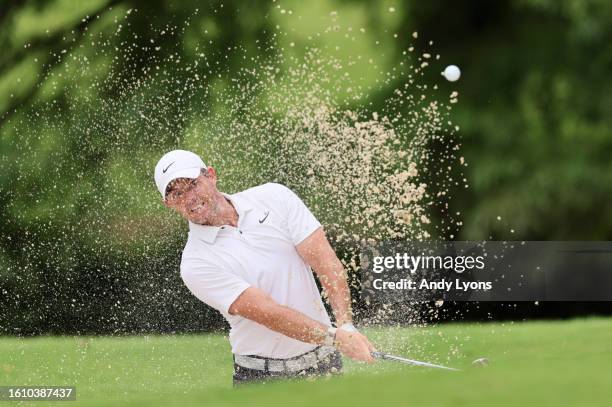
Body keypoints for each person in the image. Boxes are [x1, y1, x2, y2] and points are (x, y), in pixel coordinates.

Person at [154, 150, 375, 386]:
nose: (189, 198)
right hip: (262, 378)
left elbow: (325, 261)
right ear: (168, 204)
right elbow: (270, 313)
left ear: (211, 176)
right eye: (176, 194)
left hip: (325, 366)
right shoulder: (195, 263)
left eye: (193, 185)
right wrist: (336, 338)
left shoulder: (274, 197)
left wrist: (346, 325)